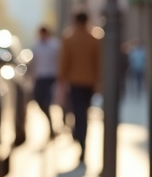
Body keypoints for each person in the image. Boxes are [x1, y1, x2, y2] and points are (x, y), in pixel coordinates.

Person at [58, 11, 101, 164]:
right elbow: (99, 63)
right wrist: (98, 83)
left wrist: (61, 82)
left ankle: (78, 135)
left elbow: (64, 63)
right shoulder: (94, 39)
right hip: (89, 83)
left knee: (77, 113)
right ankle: (83, 143)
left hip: (75, 83)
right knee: (84, 114)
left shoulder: (69, 39)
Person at [30, 26, 61, 138]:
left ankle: (54, 126)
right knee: (38, 100)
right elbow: (33, 63)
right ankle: (51, 124)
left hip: (51, 77)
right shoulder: (36, 46)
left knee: (48, 102)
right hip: (40, 77)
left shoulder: (55, 46)